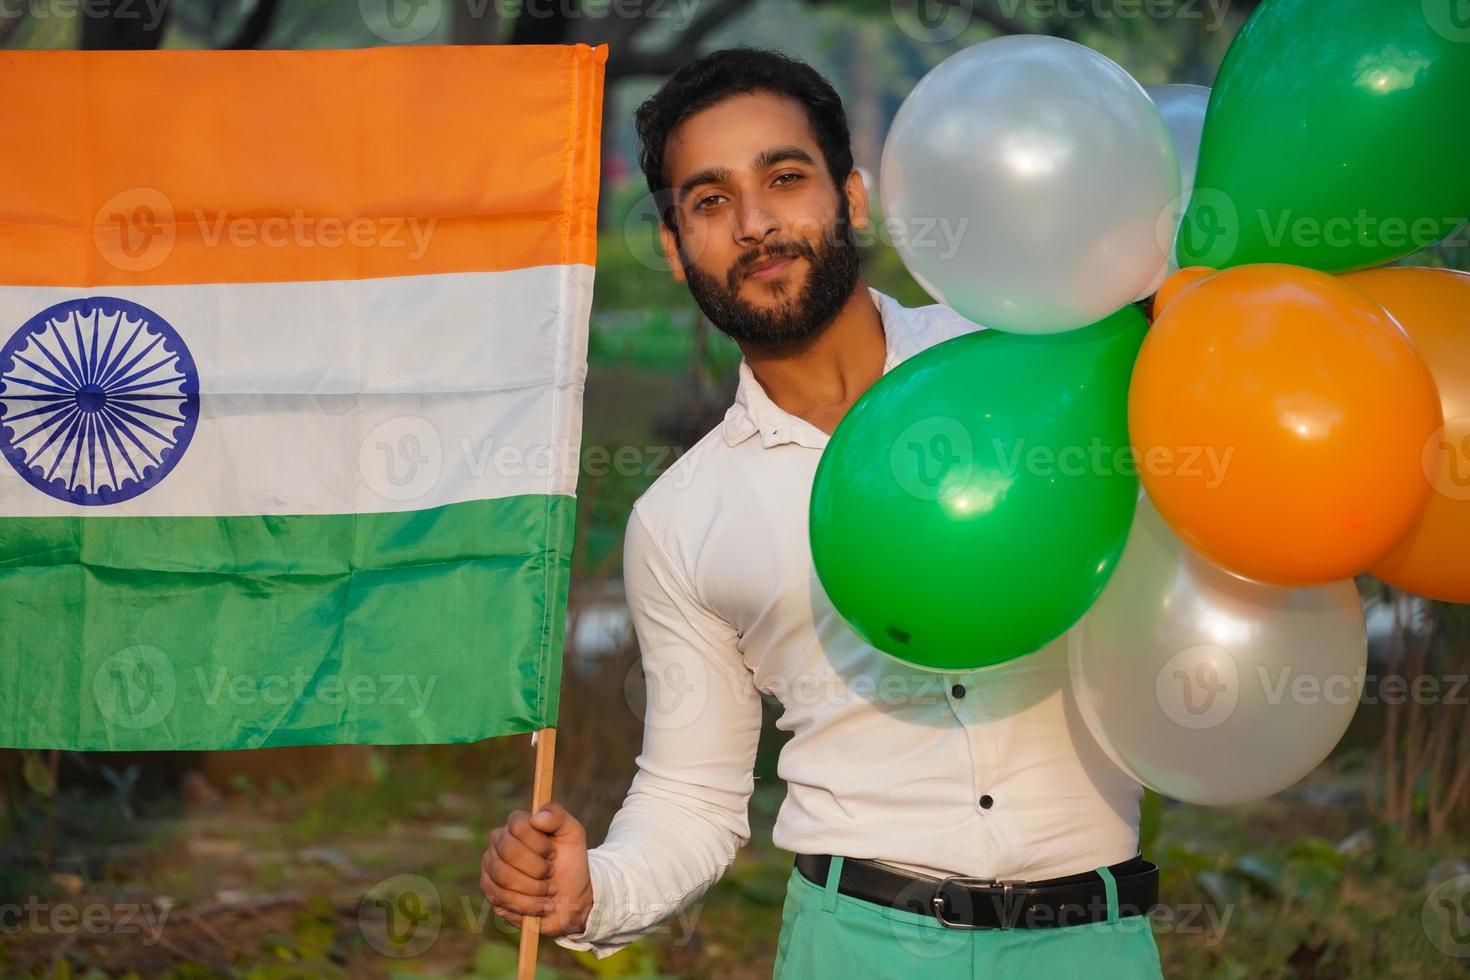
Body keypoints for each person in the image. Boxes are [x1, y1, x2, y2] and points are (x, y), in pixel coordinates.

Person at [479, 46, 1164, 978]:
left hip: (1095, 940)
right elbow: (690, 795)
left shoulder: (1033, 369)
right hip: (856, 945)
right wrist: (594, 890)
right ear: (678, 251)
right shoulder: (681, 522)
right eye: (710, 201)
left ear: (852, 199)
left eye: (785, 178)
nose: (755, 224)